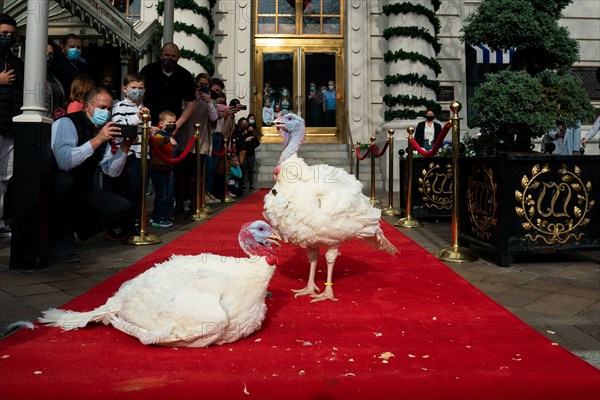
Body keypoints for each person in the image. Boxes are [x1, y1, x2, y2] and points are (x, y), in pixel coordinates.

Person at [50, 87, 136, 262]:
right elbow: (64, 163)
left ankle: (75, 229)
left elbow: (111, 171)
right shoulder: (67, 123)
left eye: (109, 109)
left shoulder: (103, 131)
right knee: (65, 182)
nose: (106, 113)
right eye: (102, 107)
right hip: (56, 188)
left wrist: (124, 148)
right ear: (87, 106)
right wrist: (97, 140)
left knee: (122, 207)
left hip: (83, 188)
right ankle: (58, 238)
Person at [173, 73, 219, 212]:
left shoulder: (211, 102)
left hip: (201, 142)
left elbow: (214, 117)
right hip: (184, 140)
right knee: (180, 174)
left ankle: (195, 203)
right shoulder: (188, 99)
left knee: (195, 175)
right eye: (200, 84)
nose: (202, 87)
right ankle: (180, 202)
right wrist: (194, 99)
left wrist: (209, 102)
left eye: (206, 85)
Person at [109, 72, 151, 222]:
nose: (137, 90)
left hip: (143, 154)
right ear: (125, 89)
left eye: (140, 88)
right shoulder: (119, 106)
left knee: (141, 189)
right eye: (133, 87)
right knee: (131, 189)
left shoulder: (142, 106)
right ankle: (130, 221)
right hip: (129, 154)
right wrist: (138, 117)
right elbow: (120, 127)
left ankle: (139, 220)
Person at [0, 13, 23, 238]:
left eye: (12, 34)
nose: (8, 38)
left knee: (5, 176)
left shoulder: (16, 61)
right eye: (4, 33)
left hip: (10, 127)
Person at [140, 42, 196, 126]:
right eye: (167, 55)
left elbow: (190, 103)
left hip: (173, 124)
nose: (170, 58)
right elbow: (140, 97)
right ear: (161, 56)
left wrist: (177, 125)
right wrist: (144, 120)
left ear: (178, 58)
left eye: (173, 56)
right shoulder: (148, 71)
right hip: (149, 122)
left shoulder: (185, 76)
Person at [149, 110, 178, 228]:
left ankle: (162, 216)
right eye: (170, 122)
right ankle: (156, 218)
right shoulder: (159, 134)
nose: (173, 124)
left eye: (174, 122)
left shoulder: (169, 134)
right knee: (162, 194)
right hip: (158, 169)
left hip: (166, 169)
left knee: (166, 194)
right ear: (161, 123)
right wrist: (167, 140)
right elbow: (157, 141)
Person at [45, 40, 66, 120]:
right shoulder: (32, 75)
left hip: (56, 121)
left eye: (51, 54)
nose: (48, 56)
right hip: (44, 121)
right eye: (46, 53)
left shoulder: (53, 76)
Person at [238, 124, 260, 191]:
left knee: (250, 170)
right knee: (243, 169)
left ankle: (251, 185)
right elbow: (239, 144)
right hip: (244, 154)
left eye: (252, 130)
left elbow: (258, 144)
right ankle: (243, 184)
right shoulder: (243, 136)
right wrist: (246, 140)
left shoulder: (254, 137)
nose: (251, 131)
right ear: (247, 129)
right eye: (249, 129)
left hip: (251, 154)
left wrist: (253, 147)